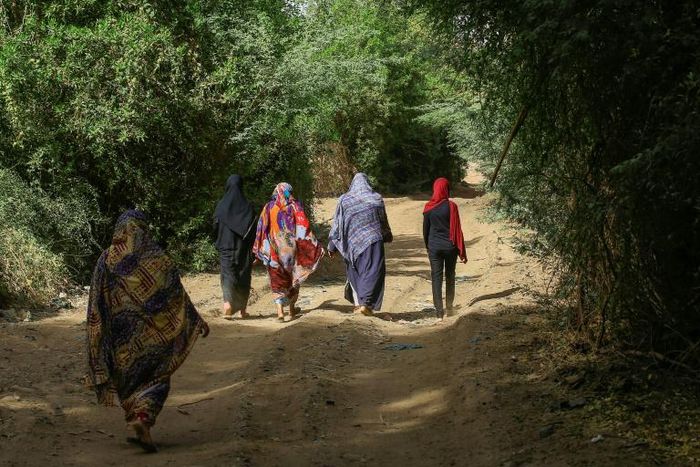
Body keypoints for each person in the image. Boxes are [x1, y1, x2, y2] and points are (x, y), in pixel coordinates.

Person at [86, 209, 210, 453]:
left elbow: (95, 299)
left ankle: (138, 418)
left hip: (122, 342)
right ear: (144, 229)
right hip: (157, 336)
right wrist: (195, 319)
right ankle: (143, 418)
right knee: (157, 377)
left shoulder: (106, 259)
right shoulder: (158, 259)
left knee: (128, 382)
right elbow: (176, 295)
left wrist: (97, 333)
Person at [252, 182, 324, 321]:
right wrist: (312, 245)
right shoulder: (294, 207)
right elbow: (303, 227)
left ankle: (280, 312)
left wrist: (260, 247)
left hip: (274, 250)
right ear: (288, 192)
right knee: (293, 278)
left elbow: (261, 228)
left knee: (277, 279)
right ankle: (291, 310)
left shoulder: (268, 207)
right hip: (292, 251)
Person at [328, 173, 392, 316]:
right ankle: (365, 304)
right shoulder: (376, 198)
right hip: (373, 242)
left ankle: (359, 304)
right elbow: (383, 220)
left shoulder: (344, 200)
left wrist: (332, 246)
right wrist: (387, 235)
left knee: (354, 272)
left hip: (351, 244)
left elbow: (337, 224)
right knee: (372, 271)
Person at [423, 178, 468, 319]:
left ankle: (439, 311)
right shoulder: (452, 206)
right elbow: (457, 229)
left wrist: (428, 246)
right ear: (447, 189)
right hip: (450, 247)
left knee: (436, 277)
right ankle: (449, 307)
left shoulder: (429, 208)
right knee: (450, 275)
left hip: (434, 247)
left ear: (435, 189)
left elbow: (425, 230)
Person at [214, 174, 257, 320]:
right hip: (243, 248)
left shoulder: (221, 206)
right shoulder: (248, 207)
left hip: (226, 246)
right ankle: (242, 310)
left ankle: (227, 304)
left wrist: (218, 241)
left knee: (227, 274)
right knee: (243, 275)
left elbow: (215, 227)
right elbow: (254, 230)